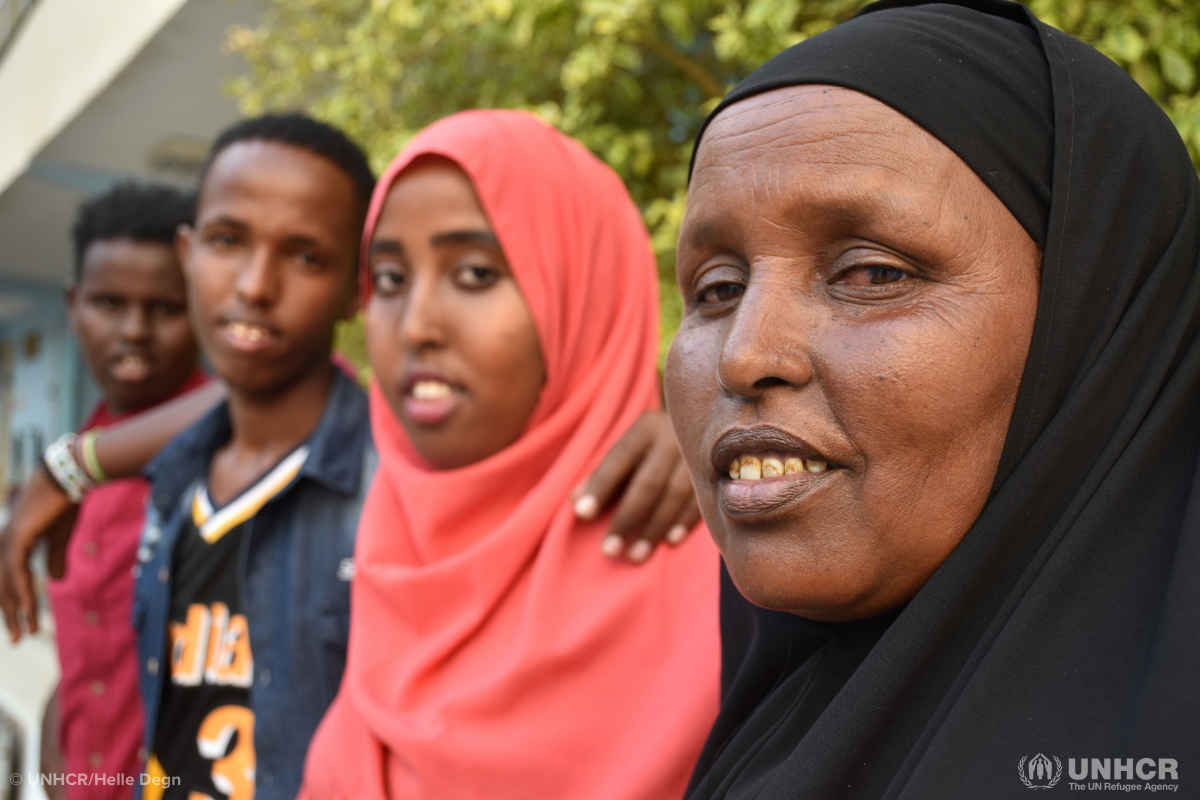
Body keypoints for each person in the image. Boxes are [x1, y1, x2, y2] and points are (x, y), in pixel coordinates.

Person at [663, 0, 1200, 797]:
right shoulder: (773, 728)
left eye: (874, 273)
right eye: (717, 288)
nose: (744, 355)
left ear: (1092, 320)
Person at [299, 109, 722, 800]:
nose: (417, 326)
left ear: (584, 294)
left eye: (473, 274)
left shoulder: (733, 564)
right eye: (391, 279)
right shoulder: (389, 540)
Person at [40, 182, 206, 798]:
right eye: (109, 303)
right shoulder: (80, 446)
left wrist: (74, 467)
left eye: (164, 307)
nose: (134, 330)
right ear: (72, 305)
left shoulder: (241, 442)